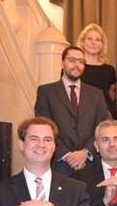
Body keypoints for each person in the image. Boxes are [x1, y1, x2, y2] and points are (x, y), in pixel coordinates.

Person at [34, 45, 111, 176]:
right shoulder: (46, 92)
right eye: (72, 60)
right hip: (58, 164)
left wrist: (86, 152)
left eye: (81, 62)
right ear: (62, 62)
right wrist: (67, 155)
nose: (77, 65)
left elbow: (103, 127)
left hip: (90, 165)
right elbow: (44, 128)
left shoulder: (96, 94)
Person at [77, 23, 117, 106]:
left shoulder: (109, 70)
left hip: (104, 115)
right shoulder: (75, 68)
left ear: (102, 45)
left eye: (98, 40)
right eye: (89, 39)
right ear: (82, 42)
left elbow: (113, 98)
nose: (93, 43)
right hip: (79, 115)